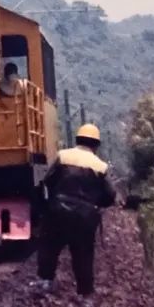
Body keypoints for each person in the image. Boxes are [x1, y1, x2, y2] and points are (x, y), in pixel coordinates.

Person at [37, 123, 117, 296]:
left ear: (77, 139)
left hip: (58, 211)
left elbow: (48, 180)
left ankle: (45, 282)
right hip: (85, 217)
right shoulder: (101, 166)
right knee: (83, 254)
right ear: (96, 145)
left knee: (49, 247)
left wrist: (53, 200)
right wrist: (96, 205)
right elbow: (110, 196)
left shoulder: (62, 156)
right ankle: (85, 292)